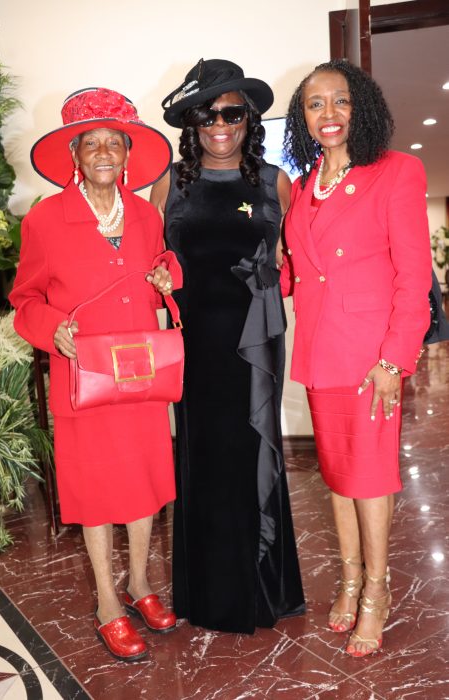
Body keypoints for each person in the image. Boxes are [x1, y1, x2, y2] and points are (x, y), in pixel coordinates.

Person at [9, 87, 182, 662]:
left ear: (126, 153)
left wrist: (167, 277)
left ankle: (140, 583)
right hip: (82, 380)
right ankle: (108, 602)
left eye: (115, 142)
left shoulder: (145, 213)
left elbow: (160, 263)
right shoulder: (44, 219)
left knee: (143, 485)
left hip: (140, 377)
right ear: (76, 155)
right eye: (93, 143)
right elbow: (25, 299)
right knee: (97, 491)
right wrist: (51, 326)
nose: (104, 151)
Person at [282, 59, 432, 656]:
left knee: (369, 480)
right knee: (337, 477)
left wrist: (394, 360)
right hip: (321, 353)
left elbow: (413, 277)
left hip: (371, 357)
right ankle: (349, 576)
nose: (329, 114)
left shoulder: (396, 171)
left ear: (360, 105)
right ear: (303, 118)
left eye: (340, 101)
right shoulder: (302, 186)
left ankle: (378, 588)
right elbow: (300, 271)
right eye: (315, 105)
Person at [151, 58, 305, 634]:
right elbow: (151, 261)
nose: (220, 123)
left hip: (253, 345)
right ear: (191, 122)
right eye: (206, 113)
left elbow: (300, 263)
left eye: (232, 111)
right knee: (200, 458)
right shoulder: (170, 182)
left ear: (249, 118)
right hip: (192, 349)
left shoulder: (273, 183)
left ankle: (262, 587)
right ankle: (204, 594)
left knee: (253, 456)